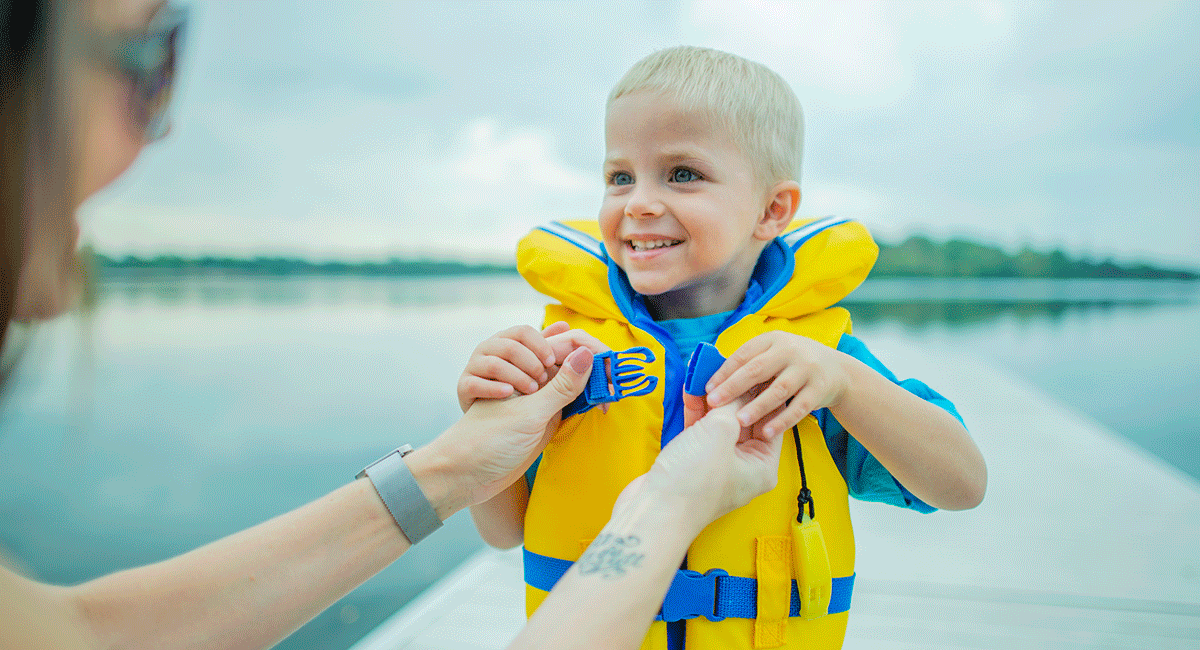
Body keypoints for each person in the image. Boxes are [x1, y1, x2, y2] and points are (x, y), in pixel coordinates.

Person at [0, 2, 789, 649]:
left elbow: (80, 635)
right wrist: (666, 507)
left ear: (772, 209)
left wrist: (457, 465)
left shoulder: (809, 360)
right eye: (153, 61)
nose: (154, 135)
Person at [462, 46, 987, 649]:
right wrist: (487, 422)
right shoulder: (567, 356)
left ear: (772, 209)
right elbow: (504, 533)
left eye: (683, 174)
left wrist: (845, 381)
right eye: (619, 177)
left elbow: (962, 485)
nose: (638, 203)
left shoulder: (814, 364)